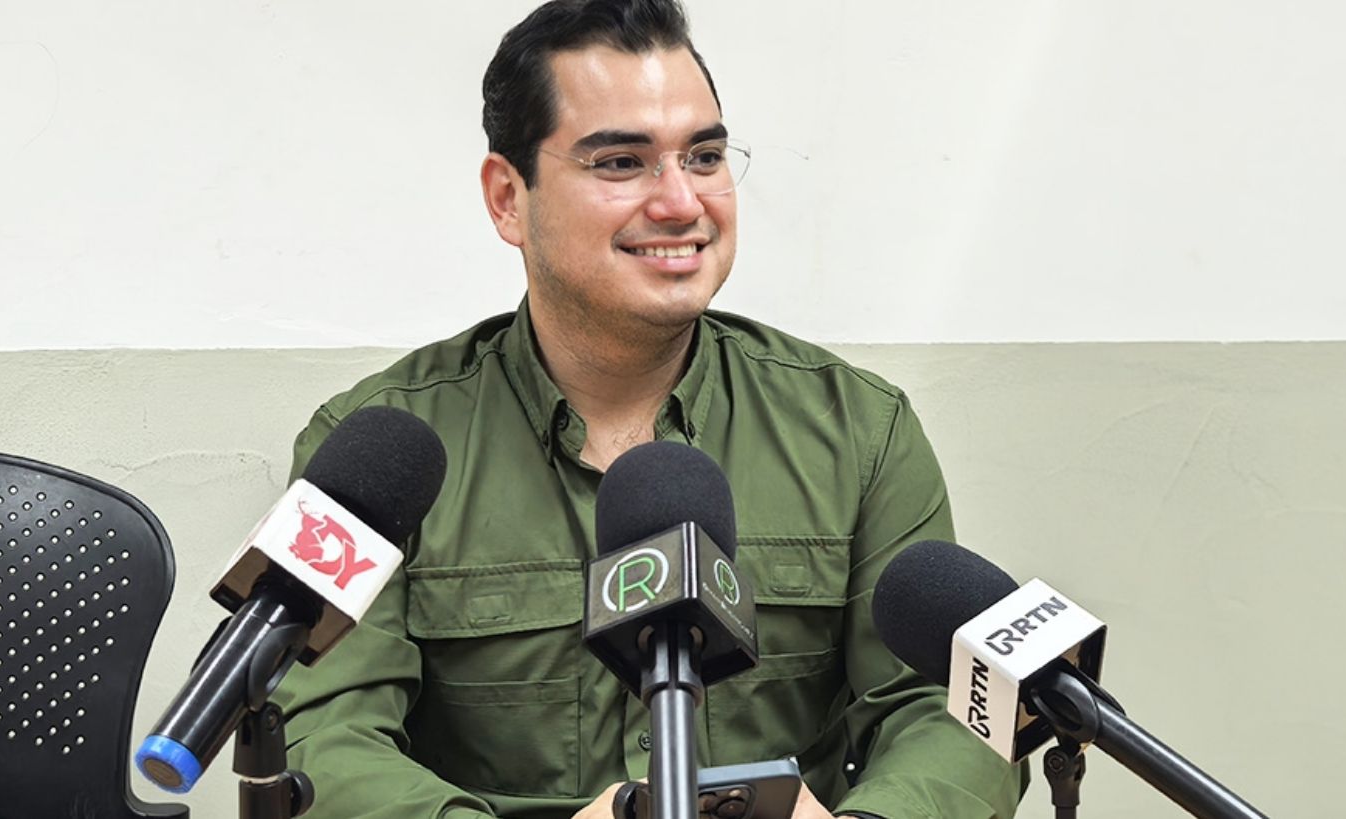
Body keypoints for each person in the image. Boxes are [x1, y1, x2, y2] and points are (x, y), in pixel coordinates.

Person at [272, 1, 1027, 817]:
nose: (680, 202)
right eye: (622, 162)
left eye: (703, 156)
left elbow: (954, 711)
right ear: (508, 198)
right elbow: (322, 733)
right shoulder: (379, 450)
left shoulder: (859, 431)